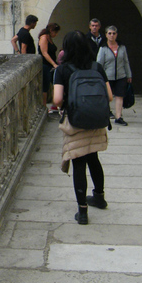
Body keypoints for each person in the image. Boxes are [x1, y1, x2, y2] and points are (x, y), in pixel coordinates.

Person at [53, 30, 112, 225]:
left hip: (75, 121)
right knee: (94, 158)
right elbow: (110, 96)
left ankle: (83, 211)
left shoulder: (62, 70)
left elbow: (57, 99)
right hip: (95, 121)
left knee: (78, 162)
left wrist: (69, 104)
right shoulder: (97, 67)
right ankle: (100, 197)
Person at [96, 25, 132, 126]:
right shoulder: (103, 48)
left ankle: (118, 117)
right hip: (107, 76)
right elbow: (99, 63)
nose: (112, 35)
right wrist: (99, 76)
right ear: (106, 35)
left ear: (116, 35)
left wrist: (129, 74)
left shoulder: (122, 47)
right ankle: (106, 114)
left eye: (114, 33)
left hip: (121, 76)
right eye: (109, 33)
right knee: (107, 96)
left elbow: (126, 62)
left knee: (120, 96)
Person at [37, 22, 61, 109]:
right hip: (45, 65)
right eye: (55, 32)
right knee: (45, 85)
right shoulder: (44, 37)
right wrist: (54, 64)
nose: (56, 34)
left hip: (50, 65)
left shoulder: (49, 37)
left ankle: (55, 104)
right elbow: (44, 53)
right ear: (51, 31)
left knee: (55, 83)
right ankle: (44, 106)